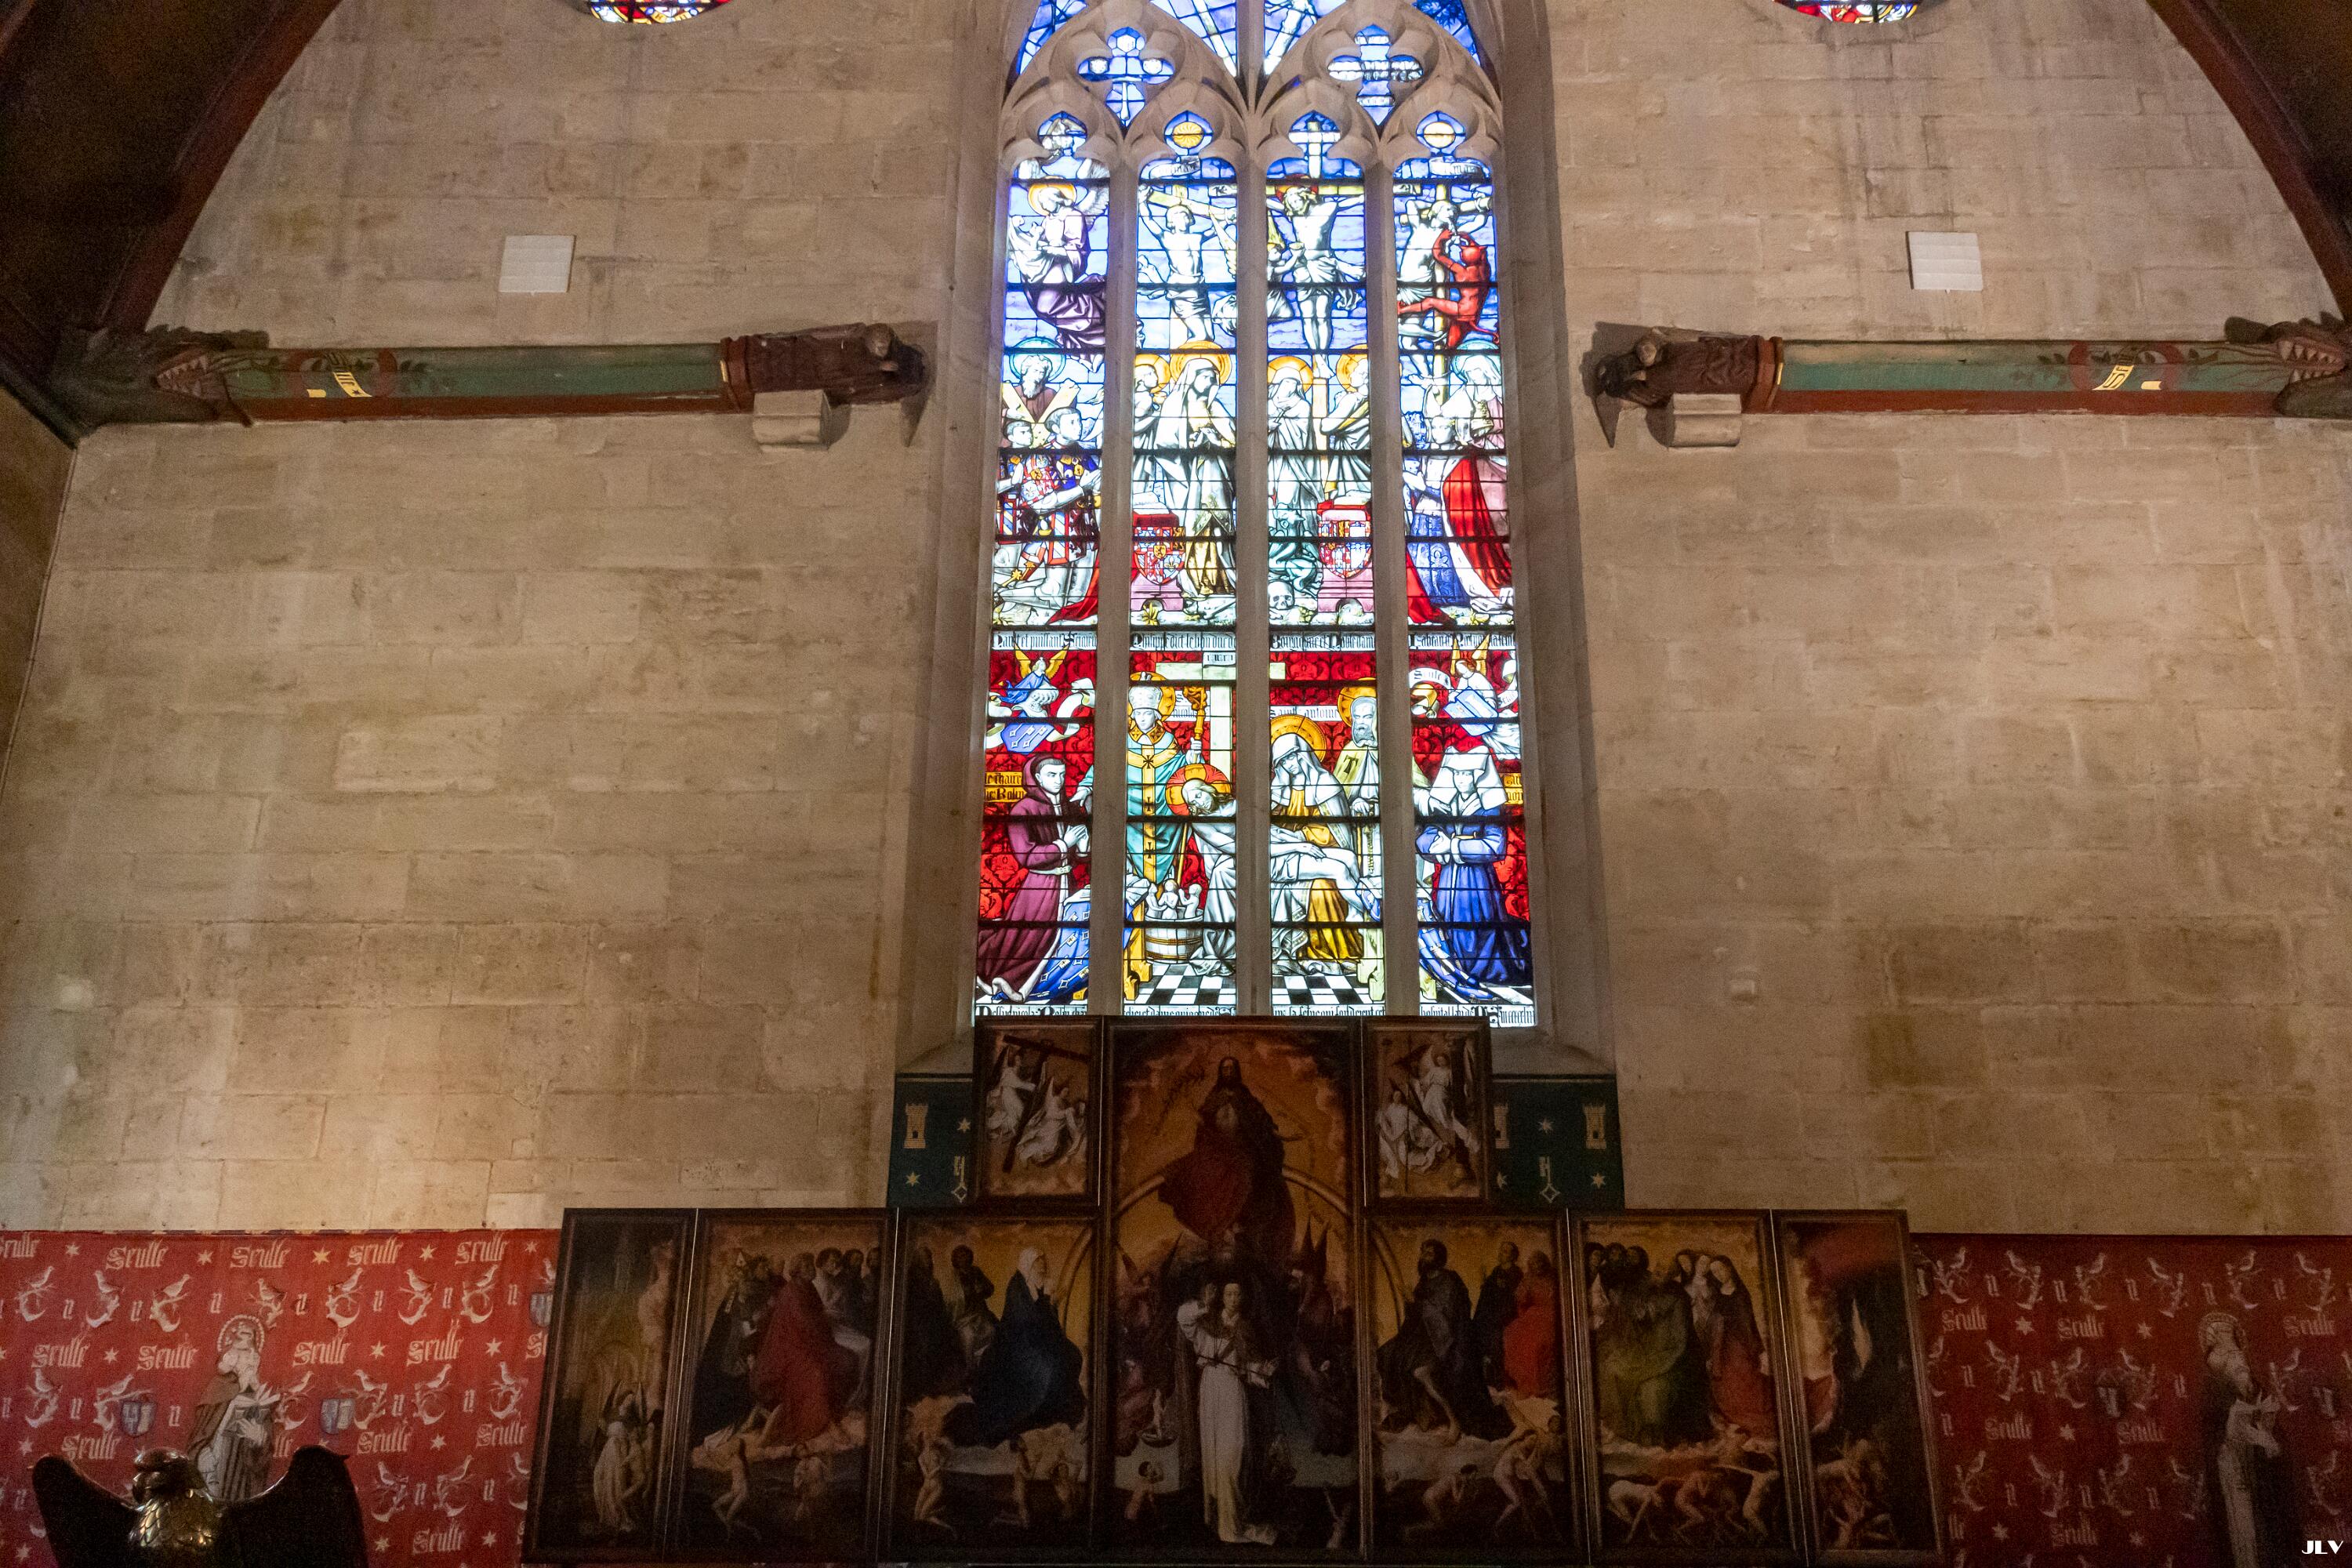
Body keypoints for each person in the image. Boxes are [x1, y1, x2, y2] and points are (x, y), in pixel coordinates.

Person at [1158, 1056, 1293, 1271]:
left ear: (1237, 1071)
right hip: (1218, 1148)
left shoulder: (1245, 1098)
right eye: (1224, 1069)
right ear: (1221, 1073)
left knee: (1246, 1175)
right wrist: (1202, 1122)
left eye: (1231, 1068)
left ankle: (1237, 1225)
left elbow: (1261, 1119)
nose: (1228, 1072)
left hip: (1242, 1149)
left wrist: (1273, 1131)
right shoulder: (1214, 1098)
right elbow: (1205, 1125)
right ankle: (1223, 1225)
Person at [950, 1247, 1087, 1450]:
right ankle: (1030, 1418)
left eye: (1044, 1264)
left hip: (1036, 1342)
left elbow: (1047, 1322)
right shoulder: (1017, 1288)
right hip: (1015, 1347)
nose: (1042, 1268)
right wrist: (1048, 1302)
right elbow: (1022, 1323)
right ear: (1028, 1266)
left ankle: (1056, 1410)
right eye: (1038, 1265)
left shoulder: (1038, 1287)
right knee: (1046, 1369)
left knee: (1071, 1355)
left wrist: (1050, 1302)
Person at [977, 755, 1085, 1003]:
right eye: (1051, 775)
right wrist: (1063, 845)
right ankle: (1011, 980)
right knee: (1032, 940)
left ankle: (1057, 984)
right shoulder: (1023, 809)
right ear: (1037, 778)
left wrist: (1082, 847)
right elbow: (1026, 855)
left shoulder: (1069, 808)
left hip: (1068, 884)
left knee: (1066, 936)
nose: (1059, 780)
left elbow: (1081, 856)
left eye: (1062, 774)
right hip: (1040, 887)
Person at [1180, 1280, 1276, 1545]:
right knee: (1215, 1459)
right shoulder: (1207, 1323)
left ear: (1242, 1298)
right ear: (1222, 1297)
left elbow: (1249, 1371)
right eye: (1229, 1293)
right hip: (1211, 1390)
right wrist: (1203, 1305)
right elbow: (1183, 1319)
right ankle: (1225, 1526)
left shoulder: (1246, 1329)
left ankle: (1234, 1524)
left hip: (1233, 1389)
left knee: (1234, 1457)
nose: (1233, 1298)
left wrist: (1264, 1373)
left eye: (1237, 1294)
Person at [2200, 1312, 2299, 1568]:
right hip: (2233, 1471)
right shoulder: (2215, 1390)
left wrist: (2266, 1426)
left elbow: (2266, 1421)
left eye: (2240, 1360)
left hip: (2258, 1469)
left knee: (2268, 1525)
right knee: (2245, 1531)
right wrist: (2250, 1434)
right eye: (2231, 1360)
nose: (2239, 1364)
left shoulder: (2254, 1386)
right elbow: (2223, 1430)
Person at [1378, 1240, 1502, 1439]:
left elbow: (1447, 1316)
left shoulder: (1449, 1280)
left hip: (1446, 1341)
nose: (1423, 1257)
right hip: (1423, 1337)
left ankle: (1452, 1420)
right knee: (1386, 1354)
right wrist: (1411, 1303)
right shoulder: (1424, 1282)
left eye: (1428, 1254)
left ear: (1439, 1258)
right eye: (1422, 1253)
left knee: (1419, 1371)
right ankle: (1413, 1412)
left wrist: (1415, 1302)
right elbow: (1415, 1316)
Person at [753, 1252, 854, 1450]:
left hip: (809, 1344)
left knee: (846, 1360)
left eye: (811, 1266)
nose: (812, 1269)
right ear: (797, 1271)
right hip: (788, 1349)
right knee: (816, 1373)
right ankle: (827, 1423)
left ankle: (834, 1414)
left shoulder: (808, 1287)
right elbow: (803, 1325)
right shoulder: (791, 1291)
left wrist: (823, 1330)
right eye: (807, 1266)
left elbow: (817, 1316)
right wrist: (821, 1328)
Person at [188, 1317, 276, 1502]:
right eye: (244, 1355)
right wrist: (201, 1454)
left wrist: (259, 1440)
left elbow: (264, 1456)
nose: (250, 1362)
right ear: (232, 1360)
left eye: (252, 1357)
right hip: (210, 1469)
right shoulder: (217, 1391)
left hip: (238, 1478)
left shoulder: (260, 1401)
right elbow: (200, 1434)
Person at [1502, 1250, 1562, 1399]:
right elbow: (1521, 1299)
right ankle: (1525, 1384)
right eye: (1534, 1264)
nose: (1538, 1266)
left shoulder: (1554, 1276)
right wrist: (1523, 1316)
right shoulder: (1528, 1278)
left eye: (1540, 1263)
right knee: (1512, 1335)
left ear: (1545, 1263)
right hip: (1534, 1314)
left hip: (1554, 1314)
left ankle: (1538, 1386)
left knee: (1538, 1344)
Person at [1472, 1241, 1523, 1385]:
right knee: (1478, 1329)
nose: (1501, 1253)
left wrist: (1504, 1288)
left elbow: (1516, 1296)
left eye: (1505, 1251)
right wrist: (1486, 1283)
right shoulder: (1496, 1270)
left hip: (1506, 1314)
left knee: (1495, 1337)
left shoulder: (1516, 1273)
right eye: (1501, 1250)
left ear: (1513, 1256)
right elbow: (1488, 1291)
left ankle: (1497, 1377)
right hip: (1492, 1312)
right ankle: (1483, 1373)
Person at [952, 1244, 1000, 1366]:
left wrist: (982, 1289)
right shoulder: (954, 1277)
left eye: (965, 1255)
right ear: (955, 1259)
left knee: (992, 1331)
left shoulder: (976, 1271)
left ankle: (983, 1362)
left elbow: (990, 1289)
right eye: (960, 1256)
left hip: (980, 1313)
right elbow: (954, 1299)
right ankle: (969, 1367)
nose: (963, 1259)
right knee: (969, 1337)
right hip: (963, 1316)